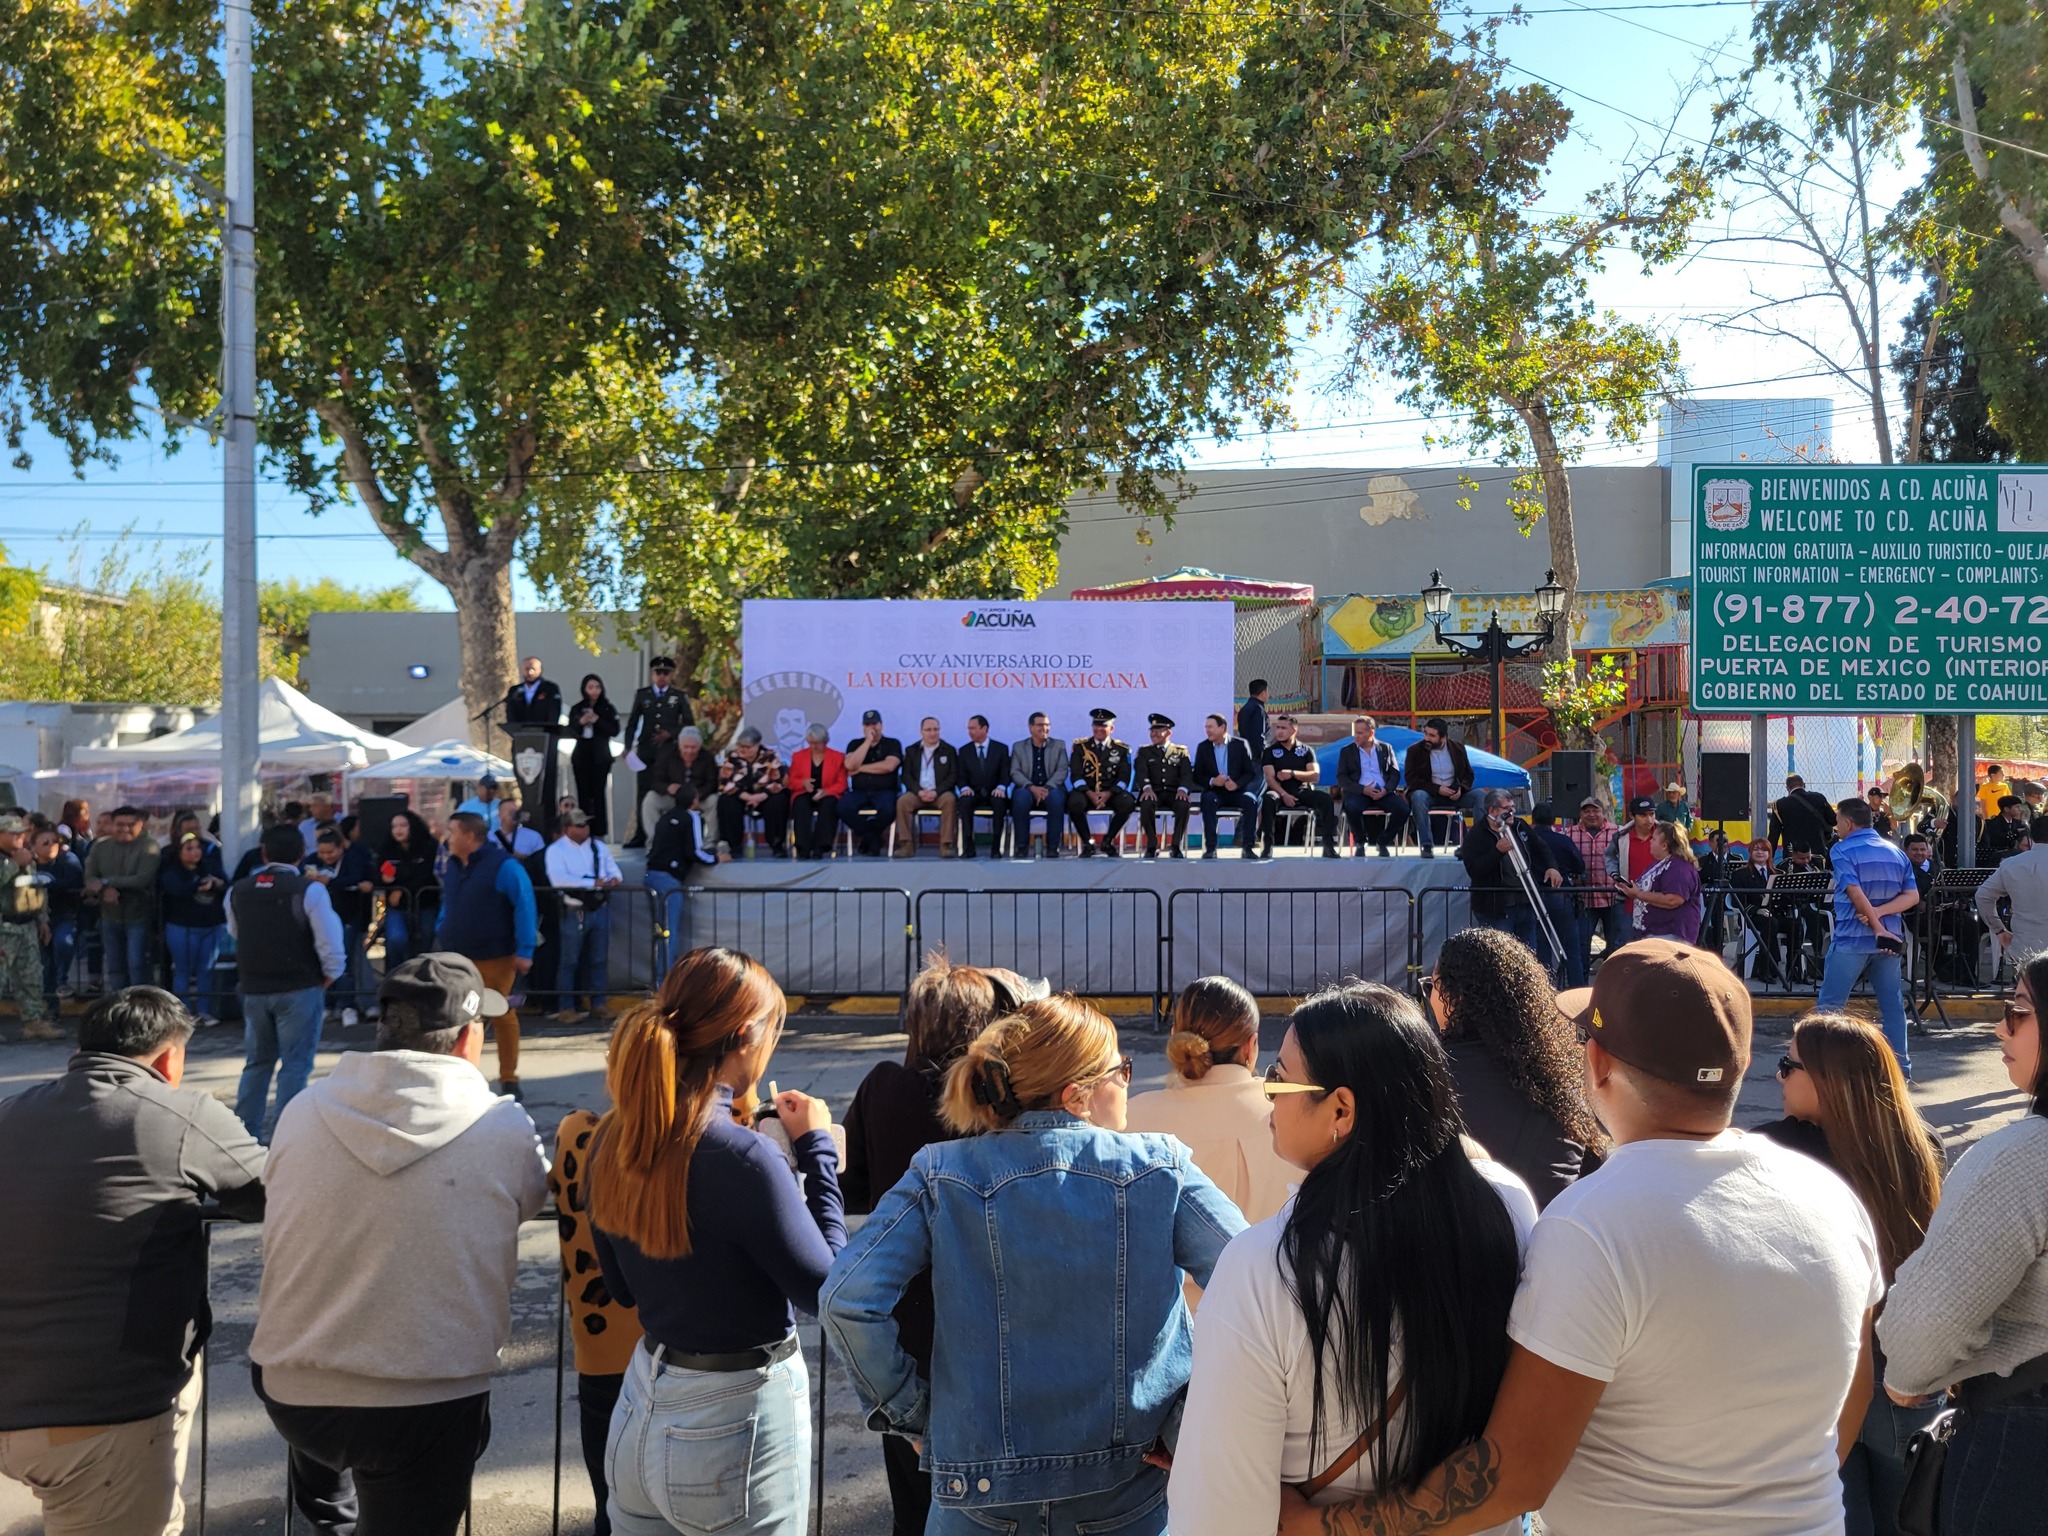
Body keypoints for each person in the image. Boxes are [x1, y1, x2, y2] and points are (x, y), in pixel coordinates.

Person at [1279, 938, 1884, 1536]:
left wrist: (1318, 1526)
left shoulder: (1593, 1227)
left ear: (1596, 1063)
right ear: (1742, 1067)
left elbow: (1511, 1475)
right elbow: (1849, 1405)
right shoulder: (1832, 1198)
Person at [823, 994, 1246, 1536]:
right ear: (1077, 1094)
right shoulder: (1159, 1167)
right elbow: (1257, 1285)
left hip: (979, 1496)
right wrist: (1188, 1419)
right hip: (1128, 1489)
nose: (1127, 1082)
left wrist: (917, 1416)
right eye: (1120, 1070)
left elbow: (847, 1299)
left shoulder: (941, 1172)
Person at [1171, 982, 1538, 1536]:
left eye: (1279, 1078)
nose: (1268, 1092)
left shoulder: (1266, 1267)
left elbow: (1218, 1517)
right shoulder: (1506, 1205)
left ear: (1340, 1110)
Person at [250, 954, 548, 1536]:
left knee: (335, 1498)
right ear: (467, 1039)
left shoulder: (301, 1109)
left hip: (295, 1389)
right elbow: (531, 1199)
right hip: (428, 1396)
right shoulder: (502, 1124)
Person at [589, 947, 843, 1536]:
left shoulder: (613, 1136)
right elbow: (828, 1288)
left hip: (640, 1407)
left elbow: (622, 1289)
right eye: (774, 1030)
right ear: (746, 1035)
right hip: (733, 1422)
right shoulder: (743, 1158)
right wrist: (819, 1152)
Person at [0, 987, 266, 1535]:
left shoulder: (11, 1112)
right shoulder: (181, 1113)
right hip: (101, 1413)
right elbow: (271, 1190)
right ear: (170, 1058)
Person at [840, 957, 1023, 1536]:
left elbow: (853, 1185)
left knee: (914, 1501)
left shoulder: (883, 1087)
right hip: (989, 1321)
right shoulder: (996, 1101)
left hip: (907, 1322)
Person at [1750, 1012, 1945, 1536]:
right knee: (1910, 1520)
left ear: (1829, 1081)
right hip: (1908, 1372)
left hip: (1822, 1376)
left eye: (1788, 1064)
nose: (1777, 1074)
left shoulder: (1775, 1149)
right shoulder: (1918, 1143)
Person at [1880, 949, 2048, 1530]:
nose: (2001, 1027)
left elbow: (1925, 1325)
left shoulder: (2020, 1159)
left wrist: (1906, 1380)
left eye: (2019, 1010)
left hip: (2022, 1446)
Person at [1426, 928, 1606, 1208]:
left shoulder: (1423, 1075)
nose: (1429, 998)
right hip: (1547, 1230)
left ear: (1456, 997)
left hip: (1452, 1230)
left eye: (1432, 986)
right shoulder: (1567, 1081)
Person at [1125, 975, 1294, 1231]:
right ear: (1250, 1047)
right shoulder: (1291, 1109)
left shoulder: (1131, 1118)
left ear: (1175, 1038)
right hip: (1278, 1257)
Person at [551, 1101, 644, 1536]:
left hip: (603, 1363)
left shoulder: (576, 1133)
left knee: (613, 1514)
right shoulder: (702, 1138)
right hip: (684, 1359)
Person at [229, 824, 347, 1138]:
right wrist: (330, 975)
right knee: (295, 1065)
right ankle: (286, 1136)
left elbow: (236, 931)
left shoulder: (238, 890)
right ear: (302, 854)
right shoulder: (309, 890)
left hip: (254, 986)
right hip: (299, 985)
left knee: (257, 1063)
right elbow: (329, 942)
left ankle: (245, 1134)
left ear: (263, 852)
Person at [435, 810, 539, 1099]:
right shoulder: (453, 865)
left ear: (470, 836)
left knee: (502, 1014)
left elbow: (525, 905)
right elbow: (448, 902)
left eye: (452, 832)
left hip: (496, 956)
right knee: (461, 1018)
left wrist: (525, 950)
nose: (447, 837)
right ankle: (463, 1077)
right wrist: (442, 927)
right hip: (458, 956)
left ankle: (509, 1079)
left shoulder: (504, 866)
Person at [1816, 796, 1919, 1078]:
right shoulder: (1896, 852)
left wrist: (1874, 922)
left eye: (1838, 821)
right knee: (1892, 1006)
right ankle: (1901, 1069)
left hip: (1852, 939)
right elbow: (1912, 896)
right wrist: (1881, 917)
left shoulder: (1841, 849)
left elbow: (1854, 891)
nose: (1836, 827)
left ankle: (1820, 1068)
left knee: (1830, 1007)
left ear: (1848, 823)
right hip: (1889, 942)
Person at [1457, 788, 1562, 964]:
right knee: (1501, 958)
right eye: (1507, 808)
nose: (1512, 812)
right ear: (1493, 811)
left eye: (1513, 807)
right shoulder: (1477, 834)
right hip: (1497, 907)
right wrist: (1497, 851)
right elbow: (1474, 870)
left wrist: (1552, 867)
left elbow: (1541, 847)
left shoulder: (1520, 825)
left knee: (1529, 956)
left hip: (1525, 901)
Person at [546, 808, 623, 1023]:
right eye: (579, 825)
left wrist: (613, 880)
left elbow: (615, 871)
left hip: (599, 907)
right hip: (574, 910)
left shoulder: (598, 847)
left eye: (586, 824)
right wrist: (592, 882)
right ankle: (566, 1007)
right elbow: (559, 880)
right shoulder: (556, 850)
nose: (585, 829)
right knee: (570, 960)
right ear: (567, 829)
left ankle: (599, 1004)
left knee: (599, 959)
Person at [644, 784, 724, 971]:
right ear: (694, 801)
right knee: (668, 932)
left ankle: (658, 978)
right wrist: (716, 858)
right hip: (669, 879)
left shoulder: (665, 817)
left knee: (659, 931)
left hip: (651, 874)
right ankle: (665, 979)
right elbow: (694, 851)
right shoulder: (691, 817)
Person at [83, 805, 160, 992]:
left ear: (140, 825)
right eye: (119, 824)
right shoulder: (100, 846)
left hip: (138, 915)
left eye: (130, 825)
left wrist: (107, 882)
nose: (125, 829)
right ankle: (119, 1003)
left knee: (137, 964)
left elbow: (142, 879)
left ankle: (141, 1003)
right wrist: (104, 889)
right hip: (109, 914)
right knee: (115, 966)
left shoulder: (149, 846)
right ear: (112, 825)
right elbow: (90, 878)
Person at [0, 811, 62, 1040]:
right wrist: (13, 865)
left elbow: (35, 889)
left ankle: (33, 1022)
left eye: (21, 833)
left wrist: (42, 919)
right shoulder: (15, 860)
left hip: (26, 926)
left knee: (31, 978)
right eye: (13, 833)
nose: (19, 837)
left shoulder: (25, 856)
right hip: (4, 927)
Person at [158, 830, 228, 1027]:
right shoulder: (172, 871)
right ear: (179, 852)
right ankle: (184, 1012)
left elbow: (226, 883)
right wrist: (198, 884)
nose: (195, 852)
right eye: (189, 848)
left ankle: (205, 1010)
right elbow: (177, 889)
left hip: (211, 925)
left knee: (206, 969)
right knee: (183, 970)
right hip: (182, 927)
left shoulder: (210, 866)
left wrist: (217, 883)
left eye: (198, 847)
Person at [623, 656, 694, 846]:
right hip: (646, 750)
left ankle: (670, 830)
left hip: (669, 751)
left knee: (668, 789)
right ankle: (641, 833)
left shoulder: (678, 696)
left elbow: (689, 724)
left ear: (671, 675)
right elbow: (632, 723)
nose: (661, 676)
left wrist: (671, 733)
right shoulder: (643, 695)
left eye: (665, 673)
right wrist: (627, 747)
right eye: (658, 672)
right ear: (652, 674)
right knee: (643, 791)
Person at [1612, 819, 1703, 947]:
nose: (1650, 841)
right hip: (1654, 933)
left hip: (1671, 936)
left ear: (1664, 845)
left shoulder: (1679, 867)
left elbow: (1673, 899)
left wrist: (1639, 894)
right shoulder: (1661, 863)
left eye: (1654, 839)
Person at [1262, 711, 1338, 857]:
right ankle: (1267, 847)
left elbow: (1314, 776)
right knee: (1268, 799)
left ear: (1294, 730)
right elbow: (1269, 779)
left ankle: (1328, 846)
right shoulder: (1270, 751)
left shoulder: (1306, 750)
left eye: (1283, 728)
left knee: (1326, 800)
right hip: (1279, 791)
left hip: (1301, 791)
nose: (1279, 731)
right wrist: (1284, 794)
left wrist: (1292, 773)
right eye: (1278, 727)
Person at [1528, 804, 1588, 988]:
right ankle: (1577, 991)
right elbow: (1579, 866)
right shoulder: (1563, 840)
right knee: (1571, 949)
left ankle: (1544, 991)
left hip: (1535, 896)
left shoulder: (1526, 840)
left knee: (1542, 948)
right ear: (1553, 821)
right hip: (1561, 895)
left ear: (1533, 820)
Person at [1567, 798, 1626, 977]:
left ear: (1603, 812)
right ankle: (1581, 987)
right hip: (1584, 900)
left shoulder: (1619, 832)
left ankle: (1613, 985)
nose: (1591, 815)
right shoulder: (1569, 833)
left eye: (1595, 811)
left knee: (1616, 947)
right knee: (1581, 946)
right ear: (1580, 814)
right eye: (1587, 811)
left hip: (1613, 899)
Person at [374, 808, 439, 972]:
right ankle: (396, 974)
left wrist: (402, 890)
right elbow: (376, 874)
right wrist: (383, 879)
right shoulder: (386, 848)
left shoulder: (429, 846)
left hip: (426, 903)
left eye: (403, 825)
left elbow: (428, 874)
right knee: (396, 939)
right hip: (397, 907)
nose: (398, 830)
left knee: (426, 939)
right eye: (394, 826)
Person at [1067, 706, 1137, 856]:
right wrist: (1090, 793)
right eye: (1096, 725)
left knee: (1128, 802)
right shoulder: (1080, 747)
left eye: (1103, 725)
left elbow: (1124, 777)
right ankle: (1088, 843)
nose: (1099, 729)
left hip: (1111, 793)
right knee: (1073, 802)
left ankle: (1108, 840)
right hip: (1086, 792)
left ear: (1111, 728)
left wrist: (1109, 793)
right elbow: (1076, 775)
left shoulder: (1122, 749)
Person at [1403, 717, 1478, 857]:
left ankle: (1473, 844)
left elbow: (1469, 775)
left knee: (1481, 796)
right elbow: (1411, 780)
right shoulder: (1415, 750)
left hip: (1454, 795)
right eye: (1426, 733)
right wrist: (1437, 789)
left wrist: (1461, 789)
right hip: (1430, 794)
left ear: (1443, 737)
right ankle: (1426, 845)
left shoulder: (1458, 748)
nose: (1427, 738)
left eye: (1432, 735)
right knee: (1418, 796)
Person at [1334, 714, 1407, 856]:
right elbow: (1341, 778)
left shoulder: (1385, 748)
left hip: (1382, 791)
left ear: (1371, 733)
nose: (1356, 736)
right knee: (1352, 808)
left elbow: (1395, 774)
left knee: (1403, 809)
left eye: (1360, 733)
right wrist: (1363, 790)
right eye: (1355, 732)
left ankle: (1383, 841)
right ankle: (1361, 841)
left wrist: (1386, 790)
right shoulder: (1347, 751)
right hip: (1359, 791)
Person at [1978, 818, 2048, 965]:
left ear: (2032, 837)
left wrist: (1999, 930)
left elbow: (1983, 896)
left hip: (2025, 948)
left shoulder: (2011, 864)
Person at [1195, 712, 1262, 859]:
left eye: (1211, 727)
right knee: (1208, 800)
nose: (1207, 730)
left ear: (1222, 727)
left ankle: (1248, 847)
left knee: (1251, 801)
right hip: (1215, 792)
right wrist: (1213, 781)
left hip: (1236, 792)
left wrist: (1237, 784)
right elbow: (1197, 776)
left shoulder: (1240, 745)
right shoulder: (1203, 747)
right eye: (1206, 727)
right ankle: (1211, 848)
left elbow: (1250, 772)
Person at [716, 724, 790, 856]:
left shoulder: (770, 756)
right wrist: (747, 797)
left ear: (757, 746)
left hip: (765, 795)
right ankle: (733, 846)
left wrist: (762, 796)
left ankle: (777, 845)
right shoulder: (732, 757)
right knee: (726, 802)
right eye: (740, 745)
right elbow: (724, 782)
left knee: (778, 801)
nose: (742, 749)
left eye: (747, 747)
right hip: (740, 795)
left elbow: (777, 782)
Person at [32, 822, 85, 1006]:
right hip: (37, 919)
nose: (51, 845)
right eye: (45, 842)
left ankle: (62, 980)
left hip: (65, 915)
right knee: (47, 965)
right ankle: (51, 1010)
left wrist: (48, 884)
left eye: (54, 841)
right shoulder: (29, 865)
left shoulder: (68, 860)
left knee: (63, 942)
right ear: (34, 846)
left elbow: (74, 880)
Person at [840, 709, 905, 857]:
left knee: (888, 810)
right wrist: (868, 742)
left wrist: (860, 768)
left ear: (881, 725)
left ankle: (869, 839)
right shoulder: (855, 744)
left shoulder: (892, 743)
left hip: (885, 791)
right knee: (843, 807)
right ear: (863, 727)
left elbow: (889, 766)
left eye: (875, 724)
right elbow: (850, 765)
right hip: (859, 791)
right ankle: (873, 837)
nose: (872, 728)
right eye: (868, 725)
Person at [894, 716, 960, 857]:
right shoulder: (911, 750)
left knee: (950, 800)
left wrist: (937, 791)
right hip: (917, 793)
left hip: (940, 793)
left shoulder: (949, 750)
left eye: (936, 729)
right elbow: (906, 776)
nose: (932, 733)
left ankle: (946, 845)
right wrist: (918, 791)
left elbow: (953, 776)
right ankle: (906, 845)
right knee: (902, 801)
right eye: (928, 730)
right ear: (921, 731)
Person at [1008, 710, 1070, 857]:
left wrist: (1047, 788)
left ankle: (1053, 847)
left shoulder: (1059, 745)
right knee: (1020, 798)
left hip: (1052, 788)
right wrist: (1031, 787)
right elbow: (1015, 772)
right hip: (1027, 788)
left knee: (1056, 799)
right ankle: (1022, 847)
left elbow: (1062, 770)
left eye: (1047, 725)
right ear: (1030, 727)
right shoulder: (1019, 747)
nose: (1045, 728)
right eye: (1040, 725)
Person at [1132, 711, 1194, 859]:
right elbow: (1141, 772)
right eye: (1152, 730)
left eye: (1158, 730)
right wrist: (1146, 788)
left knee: (1183, 805)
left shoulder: (1180, 752)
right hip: (1154, 792)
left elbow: (1186, 774)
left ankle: (1176, 846)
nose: (1154, 734)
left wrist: (1183, 789)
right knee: (1146, 803)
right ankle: (1151, 845)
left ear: (1168, 732)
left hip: (1173, 793)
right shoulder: (1144, 752)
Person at [643, 725, 720, 844]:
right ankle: (655, 842)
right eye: (686, 747)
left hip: (698, 799)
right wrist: (667, 788)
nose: (689, 751)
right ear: (680, 746)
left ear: (699, 746)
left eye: (693, 747)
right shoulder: (667, 756)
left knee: (713, 800)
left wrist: (698, 795)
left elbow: (712, 783)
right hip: (674, 798)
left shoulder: (707, 758)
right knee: (651, 799)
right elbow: (655, 781)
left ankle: (710, 842)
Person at [786, 722, 849, 859]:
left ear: (825, 741)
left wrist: (826, 792)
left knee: (829, 804)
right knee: (800, 804)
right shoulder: (798, 756)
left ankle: (820, 847)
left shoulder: (837, 757)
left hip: (827, 792)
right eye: (810, 743)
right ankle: (803, 847)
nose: (813, 746)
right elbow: (791, 781)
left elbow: (842, 784)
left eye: (817, 743)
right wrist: (803, 783)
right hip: (804, 792)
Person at [569, 674, 621, 836]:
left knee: (598, 794)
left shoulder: (607, 708)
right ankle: (583, 828)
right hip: (581, 756)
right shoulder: (577, 708)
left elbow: (614, 730)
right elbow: (570, 730)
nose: (594, 691)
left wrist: (597, 720)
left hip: (600, 756)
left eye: (597, 687)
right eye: (590, 688)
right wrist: (582, 722)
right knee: (583, 793)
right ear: (584, 689)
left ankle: (599, 830)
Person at [954, 714, 1011, 857]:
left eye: (973, 728)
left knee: (999, 802)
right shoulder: (964, 751)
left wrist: (1002, 787)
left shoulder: (1001, 749)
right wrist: (964, 787)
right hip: (974, 792)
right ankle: (969, 846)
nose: (970, 732)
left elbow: (1006, 773)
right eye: (968, 729)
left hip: (994, 791)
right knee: (964, 801)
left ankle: (996, 847)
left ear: (984, 729)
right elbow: (960, 775)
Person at [1770, 773, 1835, 856]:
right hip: (1818, 850)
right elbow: (1833, 821)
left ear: (1787, 788)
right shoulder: (1819, 798)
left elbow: (1774, 834)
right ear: (1804, 784)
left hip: (1793, 853)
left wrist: (1769, 856)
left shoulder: (1779, 805)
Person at [504, 653, 564, 728]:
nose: (530, 672)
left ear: (540, 670)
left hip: (544, 732)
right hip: (521, 732)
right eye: (527, 669)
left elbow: (554, 713)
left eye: (533, 669)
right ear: (521, 670)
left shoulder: (550, 688)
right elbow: (511, 714)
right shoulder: (515, 690)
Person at [1979, 794, 2032, 864]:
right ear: (2006, 809)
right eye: (2017, 807)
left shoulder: (2019, 824)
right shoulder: (1991, 824)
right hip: (1996, 858)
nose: (2020, 809)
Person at [1237, 678, 1271, 764]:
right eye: (1267, 692)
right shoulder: (1258, 709)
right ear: (1263, 693)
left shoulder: (1245, 708)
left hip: (1245, 753)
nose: (1268, 695)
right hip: (1256, 757)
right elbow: (1259, 733)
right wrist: (1261, 753)